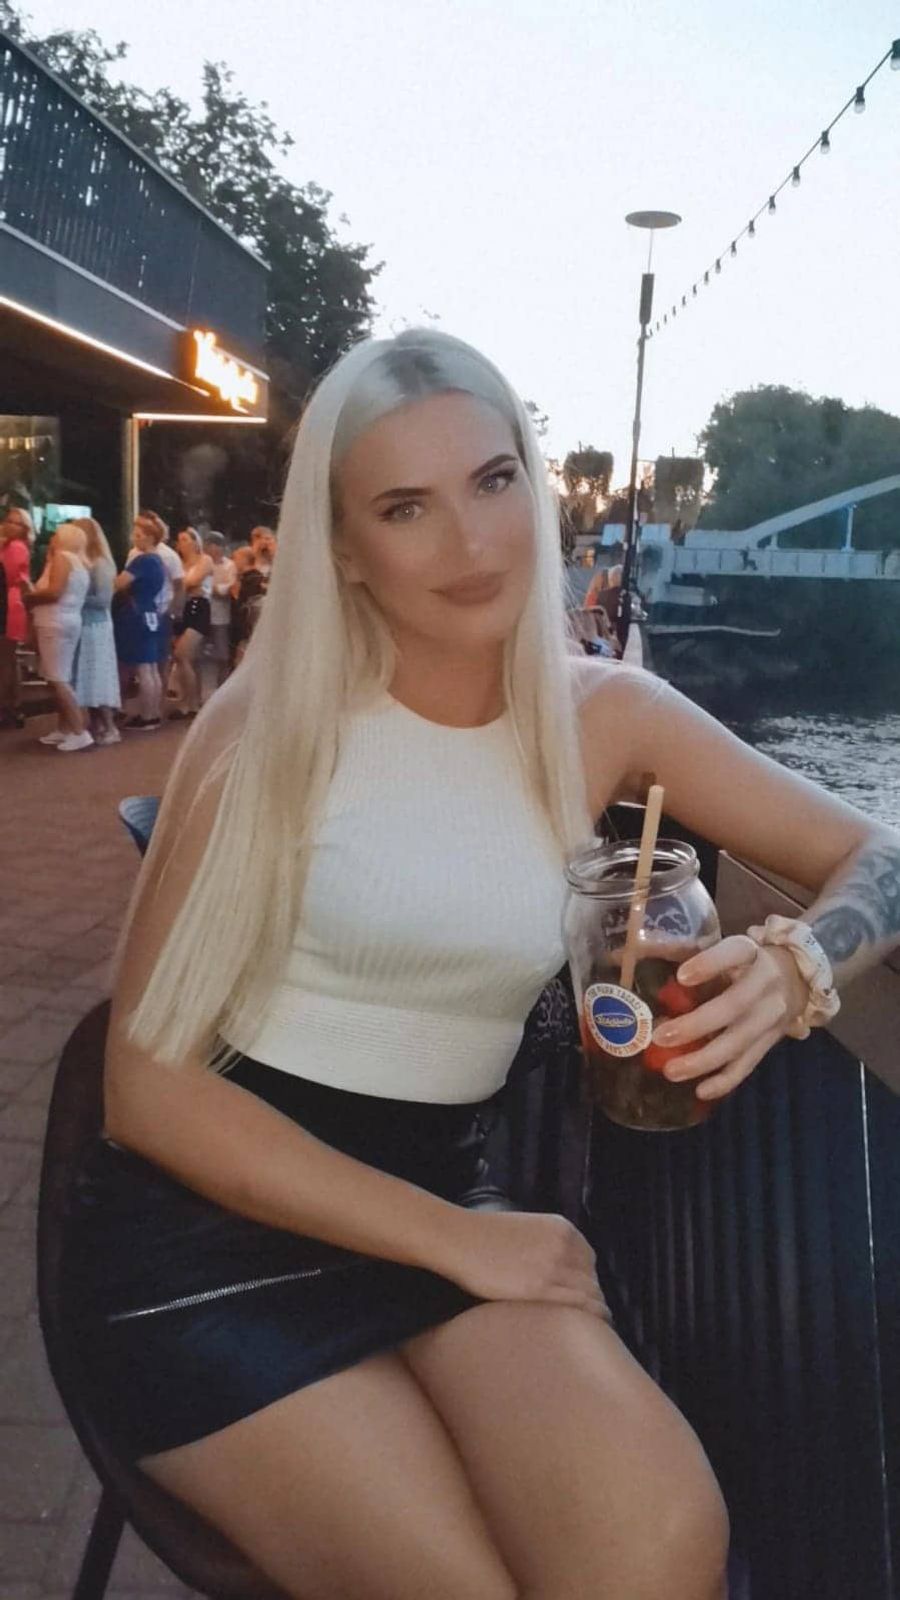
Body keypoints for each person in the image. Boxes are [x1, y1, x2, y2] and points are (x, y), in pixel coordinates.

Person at [67, 329, 900, 1600]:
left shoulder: (606, 715)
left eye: (493, 480)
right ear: (346, 546)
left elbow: (876, 852)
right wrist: (462, 1241)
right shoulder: (266, 725)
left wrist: (801, 965)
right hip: (207, 1231)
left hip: (443, 1194)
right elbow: (146, 1090)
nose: (471, 541)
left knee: (657, 1545)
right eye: (407, 506)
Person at [23, 523, 92, 752]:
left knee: (58, 678)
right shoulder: (79, 562)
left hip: (55, 622)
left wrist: (30, 596)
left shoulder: (63, 558)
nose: (52, 538)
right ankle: (65, 727)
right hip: (65, 621)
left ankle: (79, 731)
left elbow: (54, 592)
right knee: (58, 676)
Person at [73, 517, 122, 745]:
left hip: (96, 626)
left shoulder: (101, 564)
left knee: (98, 676)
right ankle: (96, 724)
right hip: (85, 624)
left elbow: (103, 599)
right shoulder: (85, 561)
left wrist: (75, 599)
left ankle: (110, 726)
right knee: (86, 676)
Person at [113, 521, 165, 731]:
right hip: (150, 610)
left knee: (143, 667)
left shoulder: (142, 561)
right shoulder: (158, 561)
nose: (134, 539)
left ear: (150, 537)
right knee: (150, 665)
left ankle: (147, 715)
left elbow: (119, 583)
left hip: (135, 612)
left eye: (138, 535)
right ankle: (153, 712)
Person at [167, 528, 213, 719]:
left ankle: (190, 703)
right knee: (185, 659)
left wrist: (183, 586)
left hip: (198, 608)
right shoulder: (179, 563)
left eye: (185, 539)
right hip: (182, 608)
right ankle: (188, 698)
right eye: (179, 540)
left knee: (182, 653)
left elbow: (191, 581)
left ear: (195, 542)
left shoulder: (205, 560)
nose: (182, 544)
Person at [0, 505, 33, 727]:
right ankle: (12, 705)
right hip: (9, 600)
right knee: (8, 658)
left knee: (5, 658)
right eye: (8, 520)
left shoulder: (16, 547)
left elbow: (10, 575)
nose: (10, 525)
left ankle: (7, 706)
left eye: (16, 523)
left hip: (9, 603)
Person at [203, 531, 236, 689]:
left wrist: (212, 588)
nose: (213, 549)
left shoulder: (229, 565)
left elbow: (228, 588)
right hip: (202, 614)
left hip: (220, 615)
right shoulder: (202, 563)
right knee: (199, 654)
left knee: (222, 655)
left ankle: (222, 687)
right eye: (210, 545)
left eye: (216, 545)